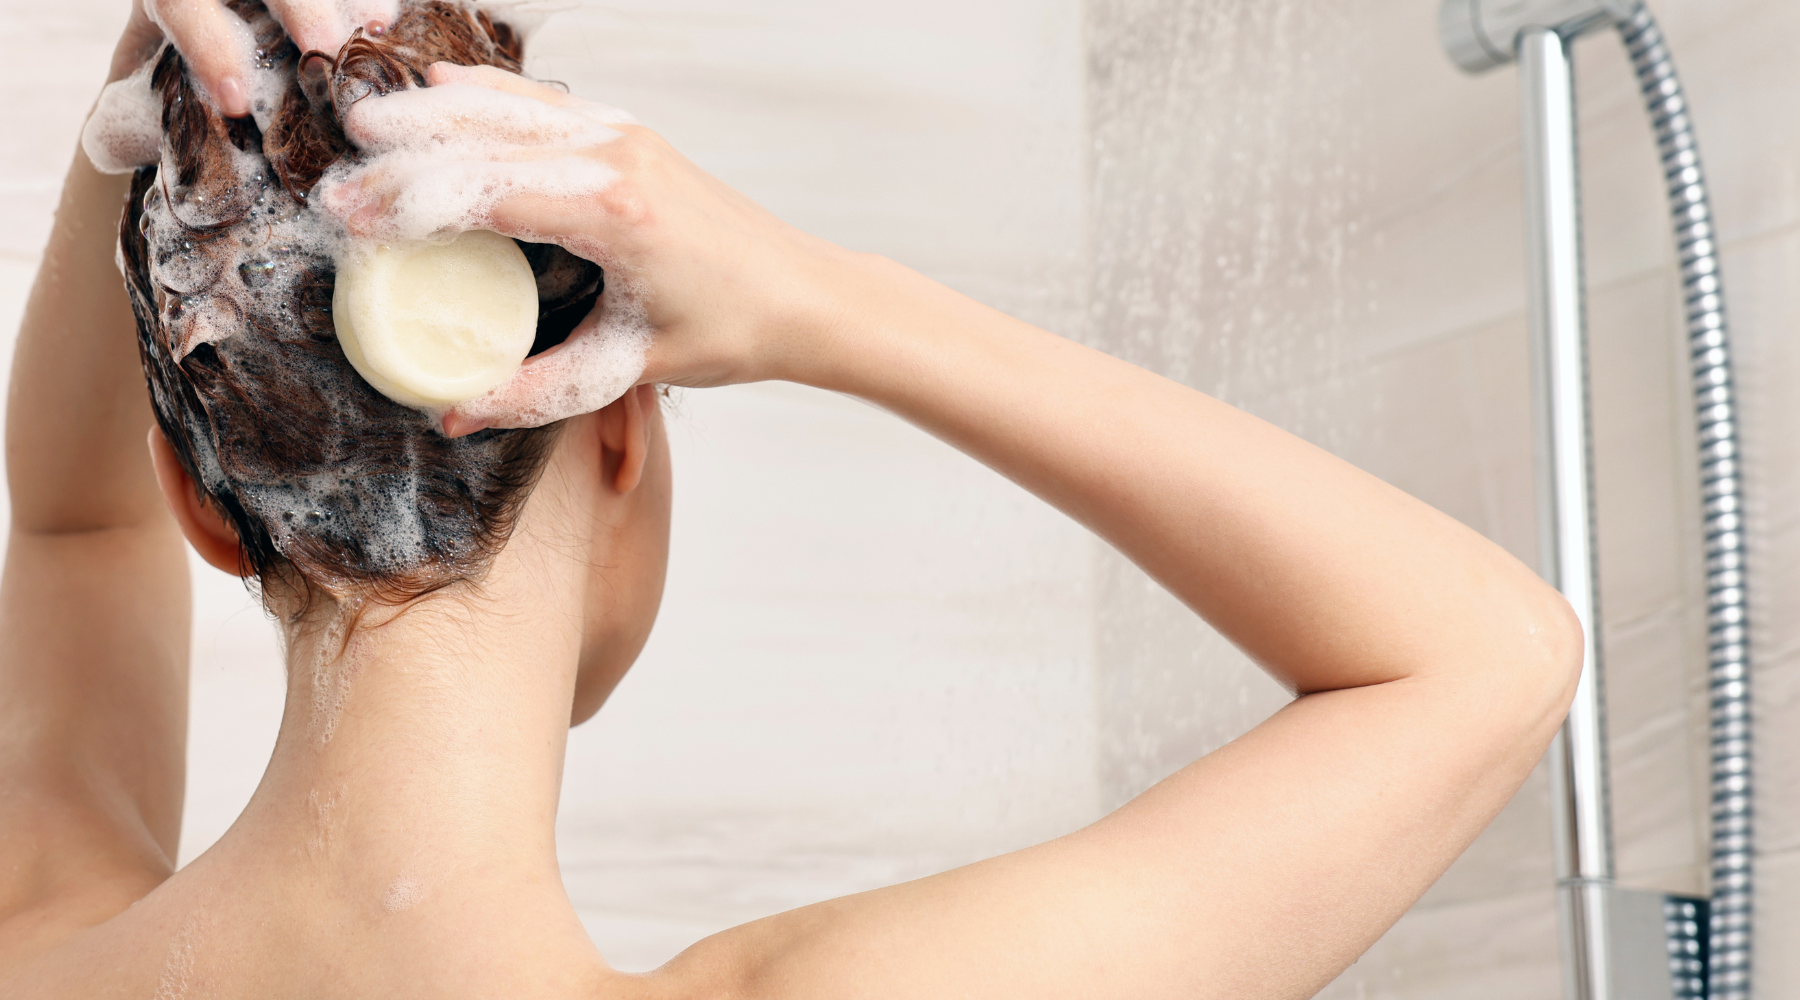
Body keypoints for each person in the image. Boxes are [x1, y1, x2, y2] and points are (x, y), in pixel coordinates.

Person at [0, 1, 1582, 998]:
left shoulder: (38, 936)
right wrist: (825, 297)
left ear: (204, 510)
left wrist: (160, 123)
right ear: (620, 430)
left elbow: (66, 525)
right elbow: (1484, 656)